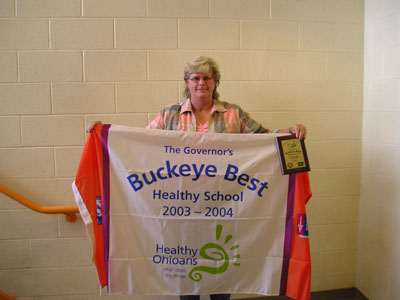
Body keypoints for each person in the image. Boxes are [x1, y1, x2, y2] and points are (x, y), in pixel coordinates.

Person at [87, 56, 307, 300]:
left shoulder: (233, 114)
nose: (201, 83)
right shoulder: (169, 115)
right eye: (196, 78)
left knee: (222, 282)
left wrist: (288, 132)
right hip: (182, 208)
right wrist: (106, 134)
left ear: (215, 83)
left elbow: (264, 137)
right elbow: (141, 144)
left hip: (225, 206)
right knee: (186, 284)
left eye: (207, 78)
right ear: (187, 83)